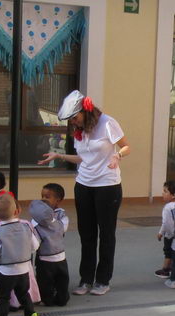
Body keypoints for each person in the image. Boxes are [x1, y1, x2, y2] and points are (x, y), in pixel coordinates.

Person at [39, 90, 130, 296]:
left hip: (107, 185)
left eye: (75, 117)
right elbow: (84, 158)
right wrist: (59, 156)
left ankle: (103, 279)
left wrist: (117, 156)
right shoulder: (81, 130)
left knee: (106, 234)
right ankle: (86, 279)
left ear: (86, 111)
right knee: (86, 234)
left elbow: (126, 146)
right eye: (71, 120)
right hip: (84, 184)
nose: (73, 122)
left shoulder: (108, 123)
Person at [0, 193, 40, 316]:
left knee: (3, 296)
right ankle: (31, 314)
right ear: (16, 211)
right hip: (24, 269)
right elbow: (35, 246)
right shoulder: (26, 227)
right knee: (23, 293)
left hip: (6, 270)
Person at [30, 183, 70, 308]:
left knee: (62, 279)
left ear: (58, 201)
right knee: (45, 281)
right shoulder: (36, 218)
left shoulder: (61, 216)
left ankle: (62, 297)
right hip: (44, 257)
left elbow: (61, 229)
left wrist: (49, 221)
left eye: (47, 197)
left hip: (59, 255)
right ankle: (48, 299)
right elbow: (34, 235)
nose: (43, 199)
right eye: (42, 196)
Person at [155, 181, 175, 279]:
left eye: (165, 191)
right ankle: (173, 269)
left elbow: (166, 223)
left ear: (173, 195)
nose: (162, 193)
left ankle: (165, 270)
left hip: (170, 235)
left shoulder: (168, 207)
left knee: (168, 252)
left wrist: (161, 233)